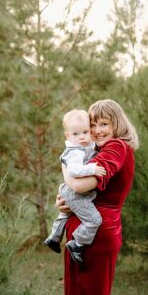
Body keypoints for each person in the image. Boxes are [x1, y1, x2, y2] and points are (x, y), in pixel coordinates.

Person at [56, 99, 138, 295]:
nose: (97, 130)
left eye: (104, 123)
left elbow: (79, 185)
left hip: (92, 235)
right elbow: (80, 191)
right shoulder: (110, 149)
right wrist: (63, 200)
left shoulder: (116, 148)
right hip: (106, 230)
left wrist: (65, 168)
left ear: (117, 123)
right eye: (93, 125)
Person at [44, 109, 106, 267]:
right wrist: (93, 169)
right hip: (76, 193)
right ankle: (77, 243)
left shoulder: (84, 145)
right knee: (94, 220)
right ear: (68, 136)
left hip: (68, 190)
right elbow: (74, 171)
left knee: (66, 213)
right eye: (76, 134)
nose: (82, 137)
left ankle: (54, 237)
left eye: (86, 131)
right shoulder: (75, 151)